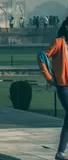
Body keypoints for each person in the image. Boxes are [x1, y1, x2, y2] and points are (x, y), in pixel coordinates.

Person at [39, 19, 68, 160]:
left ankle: (60, 152)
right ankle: (60, 151)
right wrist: (49, 77)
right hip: (64, 86)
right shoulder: (58, 43)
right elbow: (42, 56)